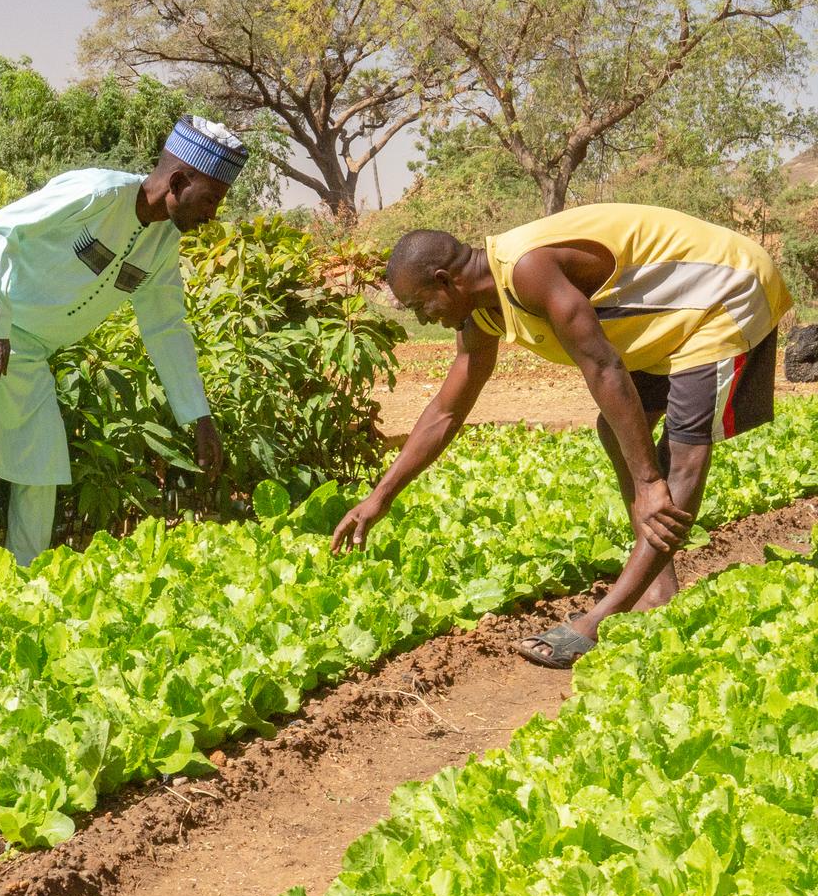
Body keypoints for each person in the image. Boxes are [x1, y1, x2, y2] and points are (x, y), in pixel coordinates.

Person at [332, 203, 792, 668]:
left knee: (682, 457)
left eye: (420, 305)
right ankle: (658, 589)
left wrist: (651, 483)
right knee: (616, 431)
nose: (423, 318)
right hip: (671, 319)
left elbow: (604, 366)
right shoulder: (480, 313)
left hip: (724, 292)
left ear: (444, 280)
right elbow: (446, 412)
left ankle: (599, 621)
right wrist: (381, 495)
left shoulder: (529, 269)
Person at [0, 115, 246, 576]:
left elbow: (166, 328)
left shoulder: (162, 246)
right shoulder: (97, 192)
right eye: (211, 198)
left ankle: (25, 581)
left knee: (40, 457)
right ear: (177, 181)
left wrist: (199, 417)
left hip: (28, 343)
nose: (213, 213)